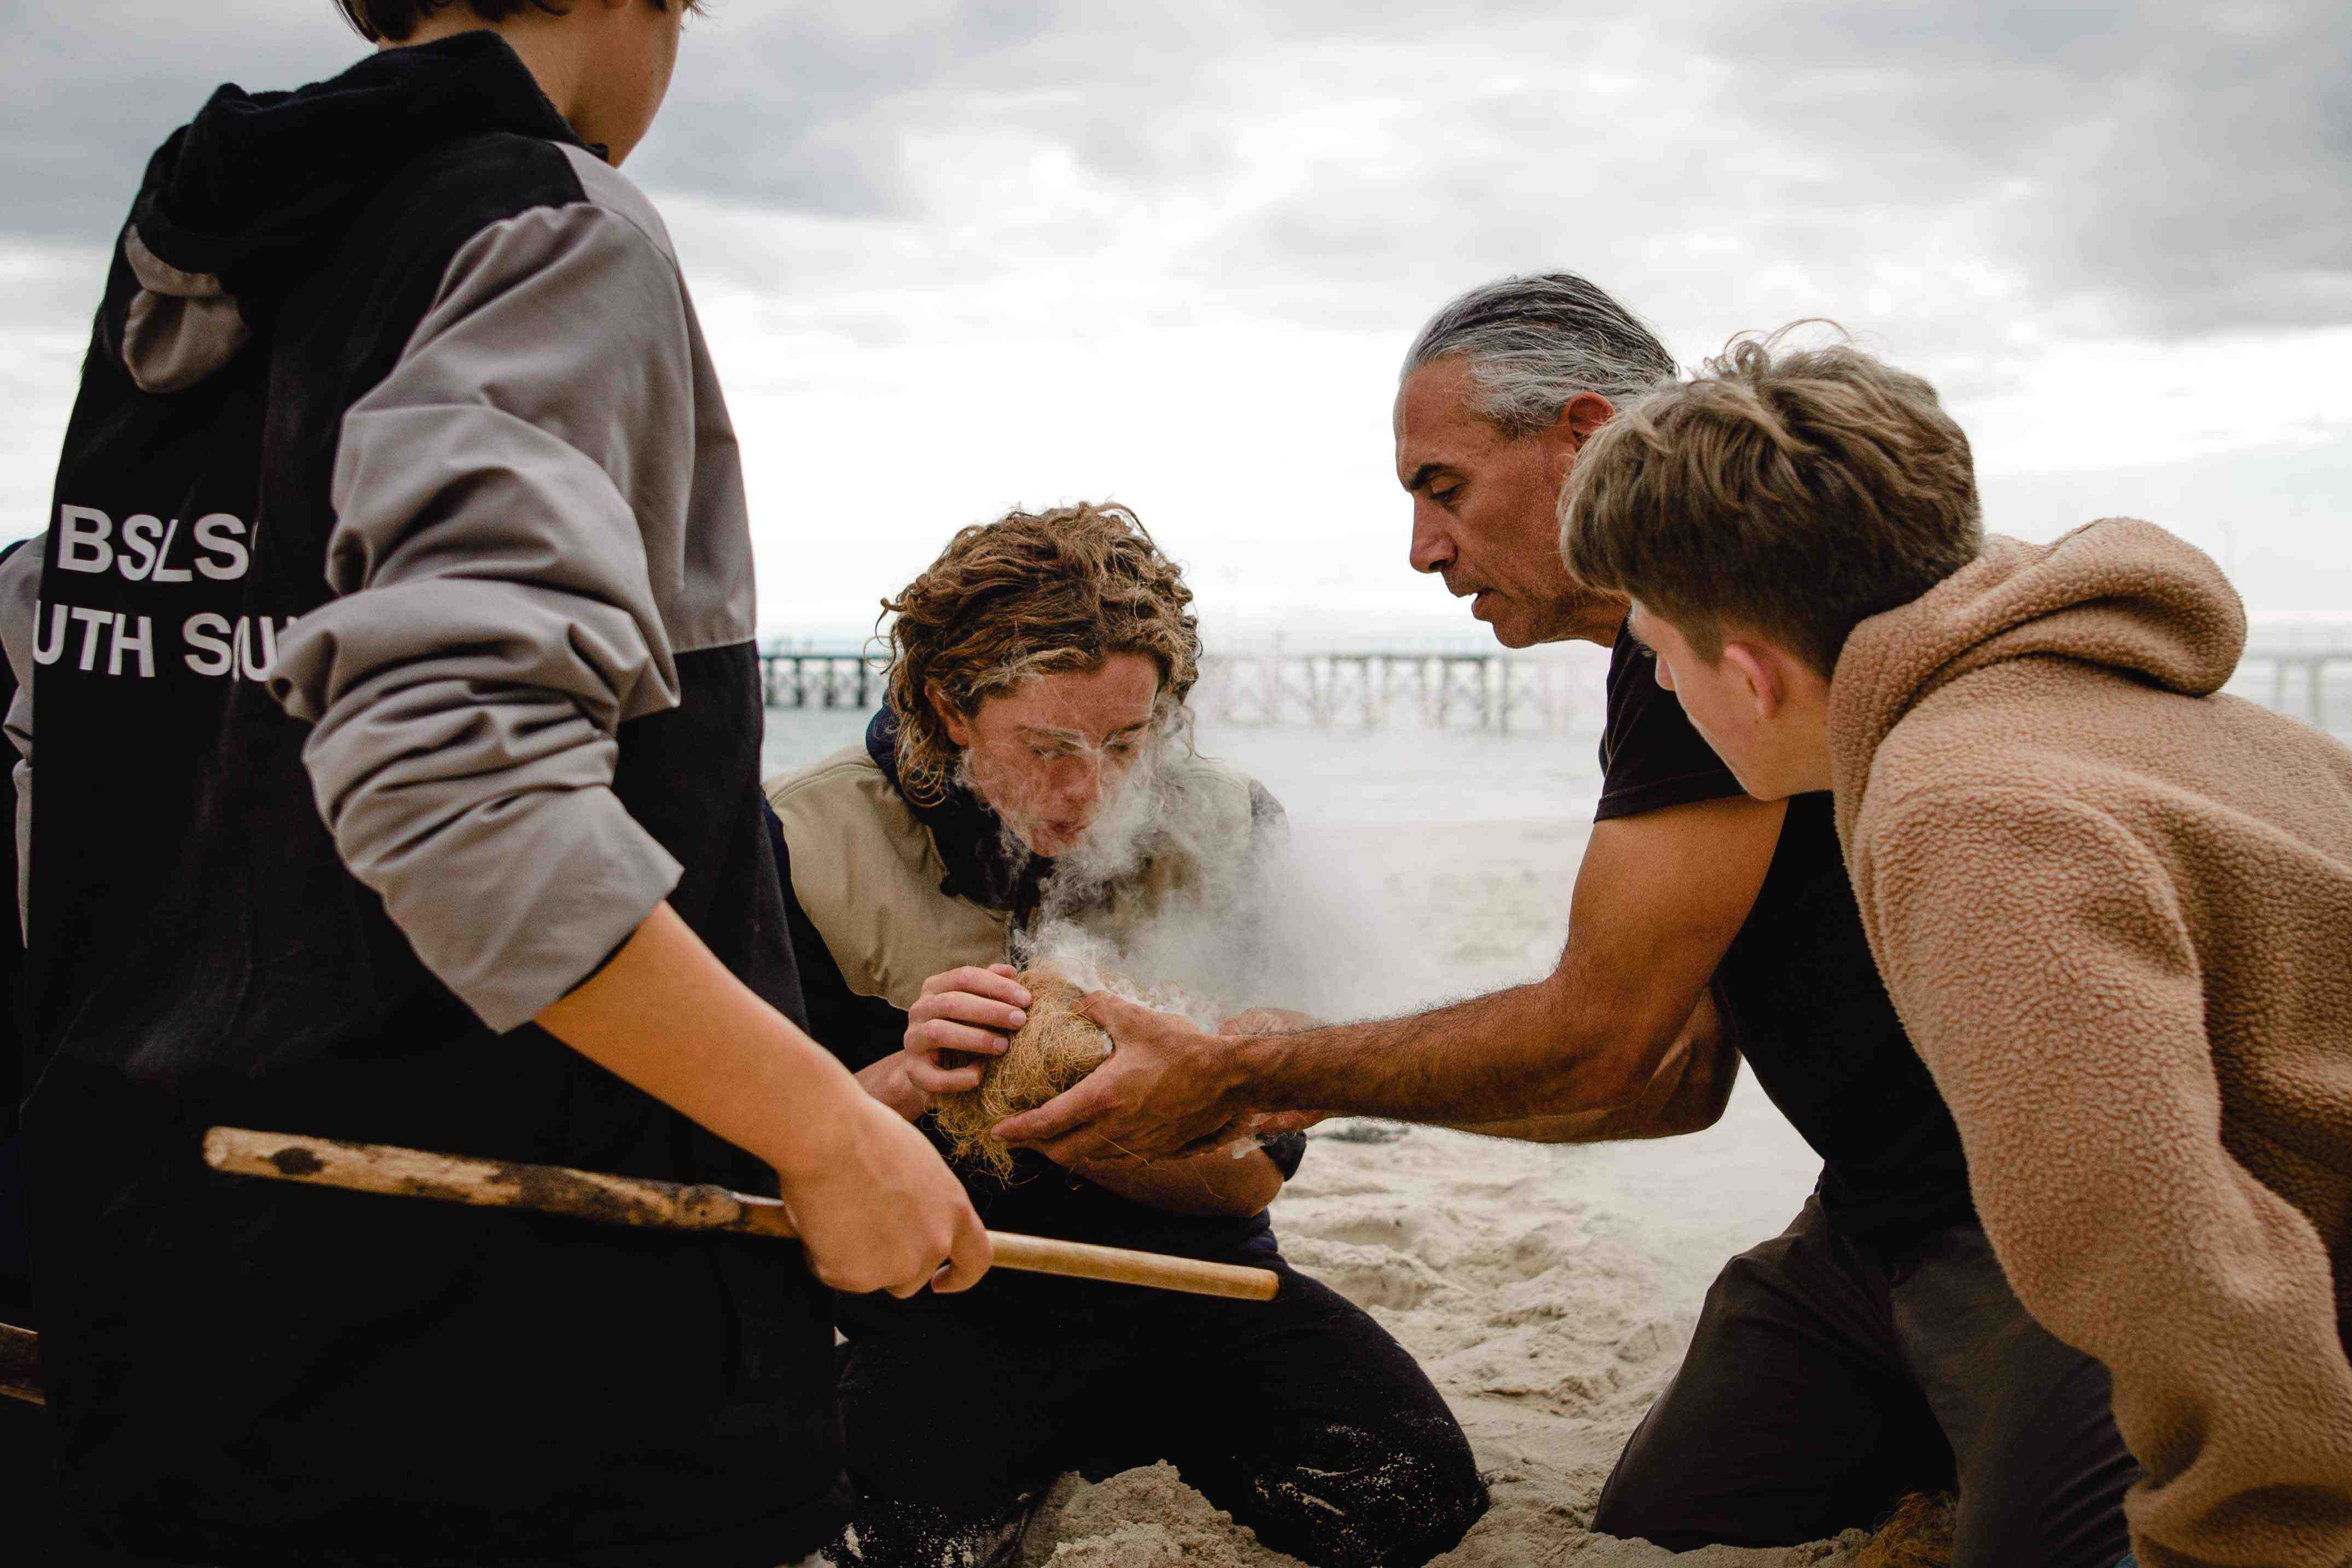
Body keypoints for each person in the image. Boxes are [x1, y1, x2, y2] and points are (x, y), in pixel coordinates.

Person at [0, 2, 986, 1563]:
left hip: (154, 1266)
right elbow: (455, 787)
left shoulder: (196, 246)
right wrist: (822, 1127)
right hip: (497, 1327)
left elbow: (93, 771)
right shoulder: (546, 225)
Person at [993, 276, 2141, 1566]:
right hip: (1864, 1217)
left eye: (1441, 487)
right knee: (1665, 1520)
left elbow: (1601, 1041)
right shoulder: (1665, 656)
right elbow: (1676, 1078)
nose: (1423, 548)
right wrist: (1287, 1083)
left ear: (1583, 437)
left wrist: (1251, 1068)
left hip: (2044, 1215)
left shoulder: (1734, 637)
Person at [1558, 329, 2352, 1568]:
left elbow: (2158, 1241)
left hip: (2286, 1285)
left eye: (1658, 654)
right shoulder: (2092, 702)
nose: (1657, 692)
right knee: (1679, 1508)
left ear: (1753, 677)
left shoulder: (1966, 815)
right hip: (1935, 1223)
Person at [764, 502, 1489, 1568]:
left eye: (1123, 741)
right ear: (947, 706)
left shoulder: (1229, 824)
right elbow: (759, 1166)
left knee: (1413, 1493)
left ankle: (1099, 1433)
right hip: (945, 1297)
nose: (1085, 791)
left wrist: (1106, 1116)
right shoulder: (805, 839)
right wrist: (907, 1081)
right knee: (881, 1540)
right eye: (1046, 745)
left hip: (1195, 1278)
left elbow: (1252, 1183)